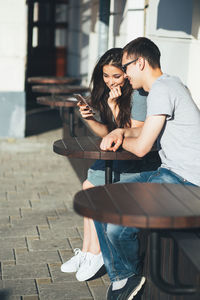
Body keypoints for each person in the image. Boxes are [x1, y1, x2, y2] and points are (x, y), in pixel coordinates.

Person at [94, 37, 200, 300]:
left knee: (117, 226)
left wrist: (121, 138)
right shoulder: (167, 85)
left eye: (126, 67)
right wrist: (120, 130)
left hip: (187, 183)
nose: (126, 74)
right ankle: (122, 276)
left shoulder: (163, 88)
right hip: (172, 174)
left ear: (139, 62)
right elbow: (143, 131)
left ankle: (129, 276)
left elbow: (141, 147)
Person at [60, 47, 160, 282]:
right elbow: (107, 132)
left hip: (142, 162)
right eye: (106, 75)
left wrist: (115, 106)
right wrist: (90, 118)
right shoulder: (110, 92)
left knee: (90, 188)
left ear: (126, 72)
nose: (110, 80)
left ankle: (96, 253)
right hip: (123, 156)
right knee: (87, 184)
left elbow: (130, 133)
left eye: (116, 75)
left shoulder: (138, 95)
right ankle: (87, 251)